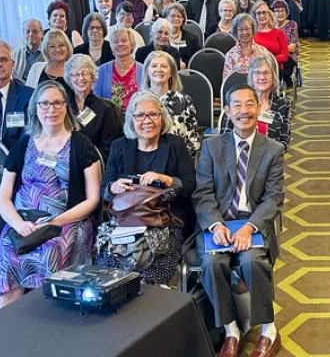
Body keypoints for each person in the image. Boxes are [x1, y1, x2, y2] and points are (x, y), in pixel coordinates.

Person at [0, 80, 101, 308]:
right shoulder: (23, 144)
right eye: (45, 103)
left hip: (66, 221)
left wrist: (54, 221)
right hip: (24, 223)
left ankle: (48, 327)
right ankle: (10, 328)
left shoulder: (81, 145)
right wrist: (18, 224)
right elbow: (3, 197)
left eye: (57, 103)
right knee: (8, 254)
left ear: (66, 107)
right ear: (35, 108)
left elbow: (92, 199)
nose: (51, 109)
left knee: (51, 252)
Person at [193, 84, 285, 357]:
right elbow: (203, 193)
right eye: (237, 105)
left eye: (249, 104)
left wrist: (248, 228)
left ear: (258, 108)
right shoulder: (211, 147)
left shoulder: (273, 149)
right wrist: (215, 225)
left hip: (252, 225)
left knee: (252, 261)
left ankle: (269, 330)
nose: (243, 111)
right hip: (219, 225)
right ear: (227, 111)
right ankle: (231, 329)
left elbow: (273, 199)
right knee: (212, 263)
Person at [97, 91, 195, 284]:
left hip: (166, 222)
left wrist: (165, 179)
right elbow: (104, 190)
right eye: (140, 115)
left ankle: (149, 310)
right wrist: (113, 187)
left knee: (150, 274)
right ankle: (119, 308)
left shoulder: (175, 144)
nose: (147, 121)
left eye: (153, 114)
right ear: (131, 120)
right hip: (126, 221)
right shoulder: (119, 147)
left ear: (162, 118)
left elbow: (190, 186)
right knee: (110, 271)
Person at [219, 54, 291, 151]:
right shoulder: (238, 101)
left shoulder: (282, 104)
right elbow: (224, 136)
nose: (262, 77)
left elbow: (284, 140)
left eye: (266, 73)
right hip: (237, 155)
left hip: (270, 159)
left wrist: (268, 156)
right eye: (257, 73)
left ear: (273, 76)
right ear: (251, 76)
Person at [140, 51, 200, 154]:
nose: (159, 70)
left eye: (163, 66)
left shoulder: (184, 101)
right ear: (147, 71)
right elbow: (131, 137)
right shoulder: (138, 101)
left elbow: (193, 141)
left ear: (171, 72)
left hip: (177, 161)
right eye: (154, 66)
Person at [63, 54, 118, 158]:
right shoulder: (62, 105)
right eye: (76, 74)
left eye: (85, 73)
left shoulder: (104, 109)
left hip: (92, 161)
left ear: (92, 77)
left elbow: (107, 146)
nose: (81, 78)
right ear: (69, 78)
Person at [94, 27, 141, 110]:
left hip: (136, 118)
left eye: (124, 40)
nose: (120, 44)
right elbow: (97, 99)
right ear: (111, 46)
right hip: (109, 118)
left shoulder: (143, 69)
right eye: (116, 42)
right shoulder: (102, 70)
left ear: (132, 44)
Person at [251, 1, 289, 79]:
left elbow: (284, 56)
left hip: (274, 68)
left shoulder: (278, 33)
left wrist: (268, 61)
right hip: (254, 68)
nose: (262, 15)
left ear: (269, 14)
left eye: (264, 12)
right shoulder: (250, 34)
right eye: (258, 13)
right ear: (254, 16)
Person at [223, 13, 269, 79]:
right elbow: (226, 81)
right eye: (241, 29)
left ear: (253, 30)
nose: (244, 32)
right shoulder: (230, 55)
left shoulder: (263, 52)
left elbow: (269, 76)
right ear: (236, 32)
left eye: (247, 28)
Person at [272, 0, 300, 88]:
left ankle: (279, 81)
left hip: (288, 58)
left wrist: (274, 49)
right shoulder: (269, 26)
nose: (280, 13)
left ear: (287, 12)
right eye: (277, 11)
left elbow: (292, 47)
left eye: (282, 10)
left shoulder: (292, 25)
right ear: (272, 13)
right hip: (272, 57)